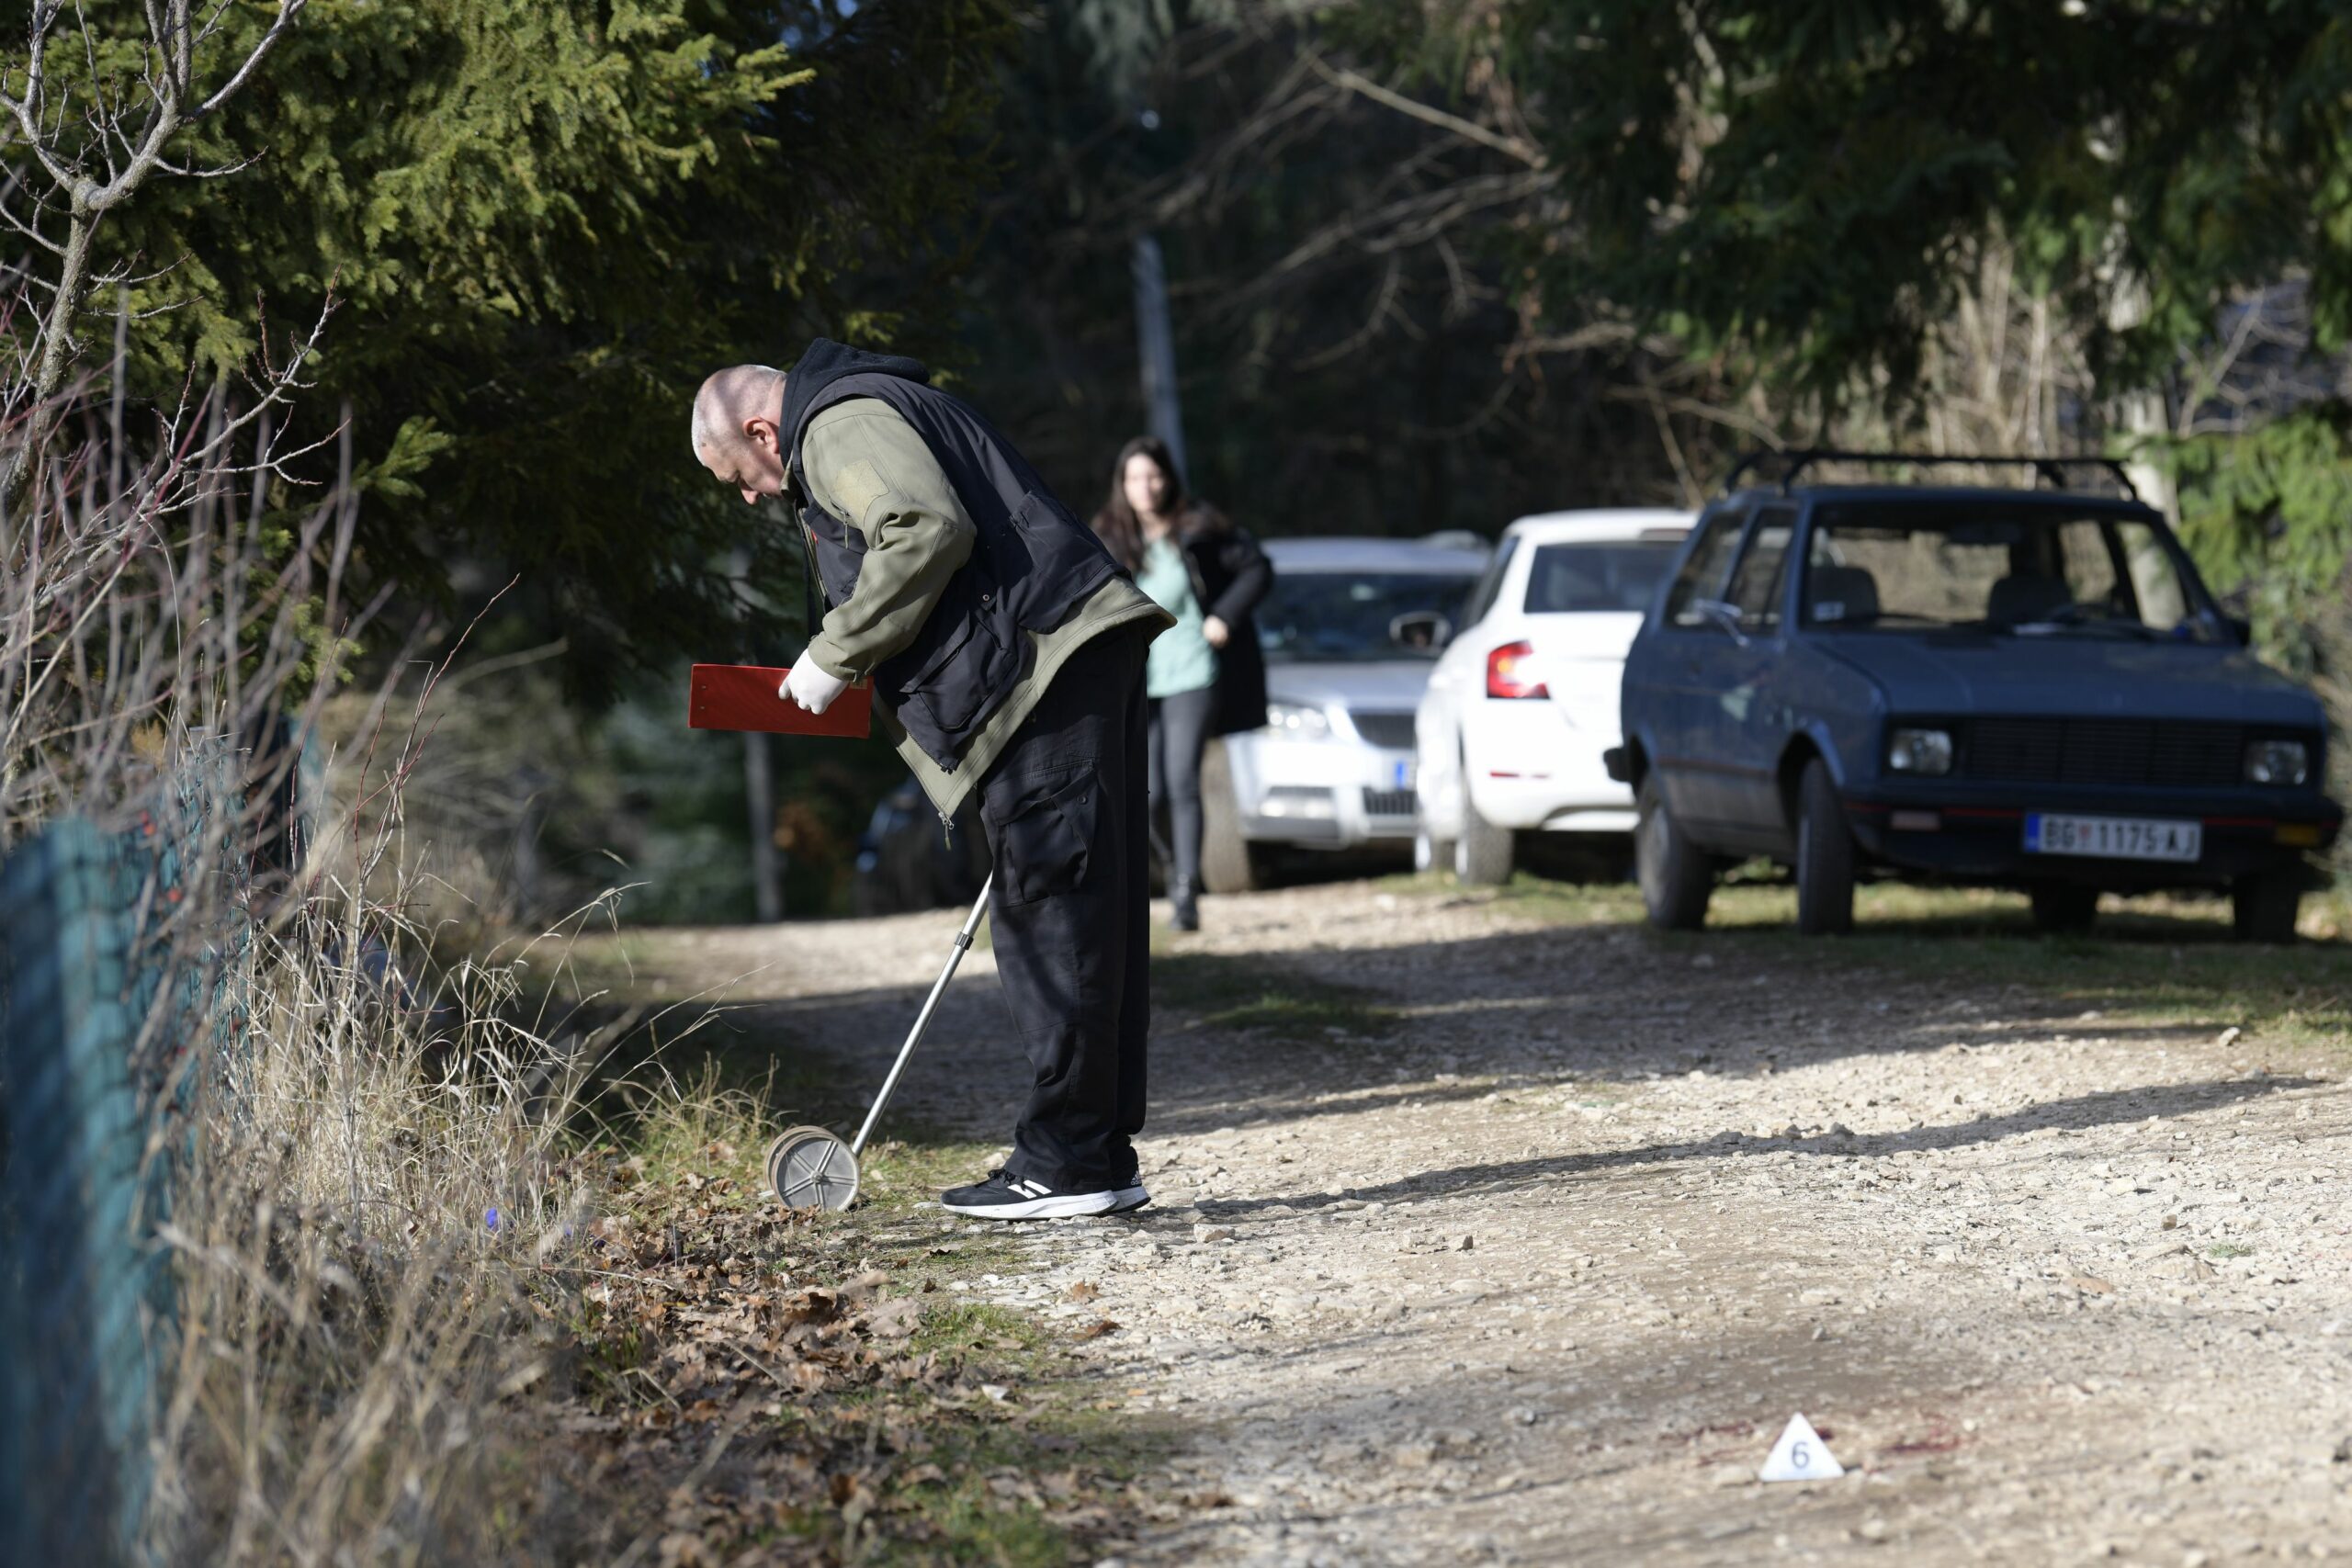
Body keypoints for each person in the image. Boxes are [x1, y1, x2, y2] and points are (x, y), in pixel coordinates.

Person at [690, 344, 1173, 1221]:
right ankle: (1093, 1154)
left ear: (763, 431)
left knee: (1054, 914)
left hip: (1042, 672)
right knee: (1076, 910)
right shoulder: (856, 412)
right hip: (1055, 663)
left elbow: (923, 527)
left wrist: (835, 651)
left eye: (741, 476)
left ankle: (1069, 1162)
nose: (755, 496)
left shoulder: (836, 426)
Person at [1087, 436, 1272, 931]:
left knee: (1181, 781)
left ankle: (1186, 893)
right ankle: (1171, 868)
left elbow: (1257, 569)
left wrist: (1225, 618)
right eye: (1134, 478)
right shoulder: (1106, 535)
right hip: (1138, 678)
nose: (1144, 488)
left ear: (1167, 478)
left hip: (1195, 671)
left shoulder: (1200, 528)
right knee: (1146, 793)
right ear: (1121, 485)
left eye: (1153, 476)